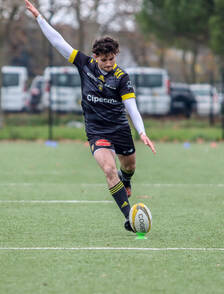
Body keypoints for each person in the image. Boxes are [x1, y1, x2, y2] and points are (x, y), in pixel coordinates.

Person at [25, 0, 156, 232]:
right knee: (108, 169)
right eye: (103, 60)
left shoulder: (122, 77)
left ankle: (126, 181)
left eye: (111, 59)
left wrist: (142, 131)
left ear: (116, 55)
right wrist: (39, 18)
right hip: (97, 130)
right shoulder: (83, 64)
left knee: (129, 166)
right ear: (95, 56)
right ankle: (130, 218)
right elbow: (58, 42)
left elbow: (131, 107)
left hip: (120, 128)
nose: (107, 64)